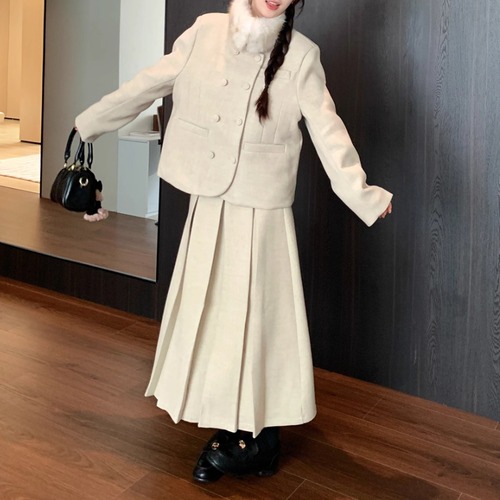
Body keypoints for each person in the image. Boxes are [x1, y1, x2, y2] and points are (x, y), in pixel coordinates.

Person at [75, 0, 393, 483]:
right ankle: (230, 422)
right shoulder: (205, 31)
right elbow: (148, 84)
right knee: (211, 315)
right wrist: (89, 124)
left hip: (262, 210)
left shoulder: (302, 55)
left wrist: (363, 194)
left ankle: (256, 435)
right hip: (210, 200)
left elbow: (329, 131)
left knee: (258, 321)